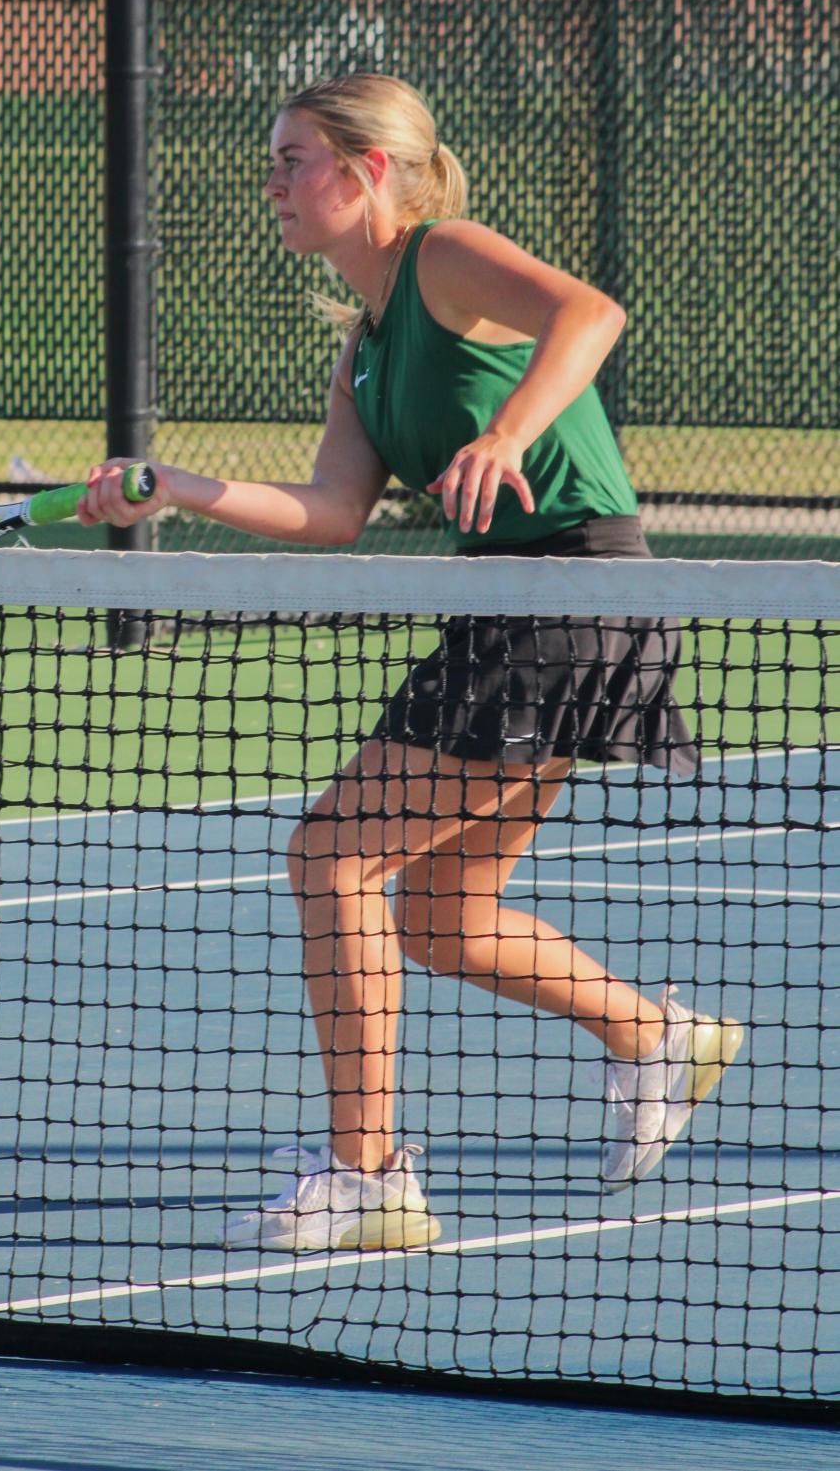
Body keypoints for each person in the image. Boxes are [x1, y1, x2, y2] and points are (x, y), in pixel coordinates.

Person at [77, 72, 743, 1256]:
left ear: (366, 170)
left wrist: (504, 433)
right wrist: (172, 486)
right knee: (437, 913)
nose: (271, 182)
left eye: (293, 159)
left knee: (329, 858)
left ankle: (370, 1177)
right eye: (272, 161)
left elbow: (588, 314)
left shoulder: (442, 257)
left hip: (572, 597)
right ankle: (656, 1039)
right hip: (511, 607)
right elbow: (332, 509)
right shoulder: (364, 348)